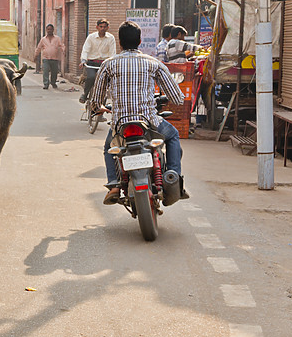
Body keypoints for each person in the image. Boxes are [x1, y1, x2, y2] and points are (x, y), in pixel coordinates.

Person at [88, 22, 188, 205]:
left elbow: (95, 99)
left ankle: (114, 185)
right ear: (140, 40)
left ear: (119, 42)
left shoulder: (108, 65)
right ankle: (173, 178)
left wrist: (97, 107)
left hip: (120, 124)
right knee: (173, 135)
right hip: (149, 121)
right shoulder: (153, 63)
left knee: (109, 148)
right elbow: (177, 97)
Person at [79, 18, 116, 102]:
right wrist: (83, 60)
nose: (102, 28)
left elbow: (112, 52)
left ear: (107, 28)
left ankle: (103, 101)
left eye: (104, 27)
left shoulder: (111, 38)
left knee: (105, 81)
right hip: (92, 63)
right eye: (101, 26)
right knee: (91, 77)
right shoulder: (91, 37)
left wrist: (112, 63)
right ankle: (85, 94)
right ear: (97, 27)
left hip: (104, 64)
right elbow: (85, 50)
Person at [34, 23, 64, 89]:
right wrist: (36, 55)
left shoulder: (57, 38)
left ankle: (53, 82)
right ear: (46, 30)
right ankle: (46, 84)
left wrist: (63, 51)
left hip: (55, 58)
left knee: (54, 72)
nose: (49, 30)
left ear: (53, 30)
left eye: (50, 29)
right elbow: (39, 48)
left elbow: (61, 45)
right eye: (48, 29)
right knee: (45, 71)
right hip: (46, 58)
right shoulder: (43, 39)